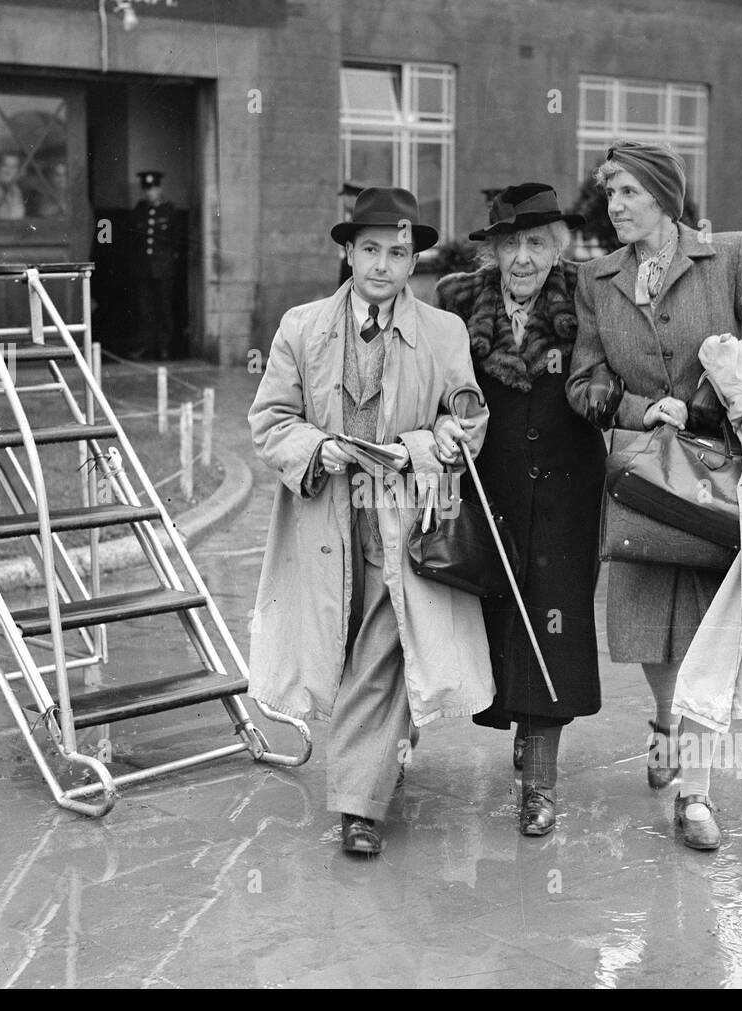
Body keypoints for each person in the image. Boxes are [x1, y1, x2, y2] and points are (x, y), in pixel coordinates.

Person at [566, 140, 742, 850]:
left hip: (719, 475)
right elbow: (583, 384)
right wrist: (641, 411)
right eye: (610, 196)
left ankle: (695, 796)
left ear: (666, 197)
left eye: (630, 193)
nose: (616, 208)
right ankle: (665, 719)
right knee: (646, 628)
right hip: (640, 478)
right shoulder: (596, 280)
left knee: (711, 631)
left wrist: (704, 400)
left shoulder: (725, 258)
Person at [247, 186, 494, 857]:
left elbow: (467, 417)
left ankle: (359, 804)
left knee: (386, 642)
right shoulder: (301, 328)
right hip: (323, 515)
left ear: (414, 259)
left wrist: (429, 442)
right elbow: (268, 422)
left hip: (404, 518)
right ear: (349, 254)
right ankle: (391, 747)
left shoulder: (444, 332)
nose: (385, 265)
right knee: (344, 638)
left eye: (399, 252)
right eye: (371, 250)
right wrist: (318, 448)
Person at [433, 182, 604, 836]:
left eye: (537, 243)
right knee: (502, 626)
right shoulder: (455, 304)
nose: (524, 258)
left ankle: (540, 786)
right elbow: (434, 388)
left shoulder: (587, 299)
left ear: (555, 245)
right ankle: (522, 734)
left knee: (554, 632)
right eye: (512, 244)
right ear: (495, 250)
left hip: (567, 493)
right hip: (491, 488)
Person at [128, 170, 180, 359]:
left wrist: (170, 263)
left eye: (153, 188)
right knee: (145, 310)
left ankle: (165, 347)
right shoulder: (139, 210)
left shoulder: (169, 211)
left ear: (160, 189)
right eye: (147, 189)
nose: (150, 192)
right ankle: (146, 346)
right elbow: (133, 241)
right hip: (143, 270)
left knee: (164, 308)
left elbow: (176, 241)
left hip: (163, 269)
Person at [0, 150, 26, 220]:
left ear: (18, 170)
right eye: (5, 165)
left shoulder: (17, 190)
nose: (8, 170)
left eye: (13, 167)